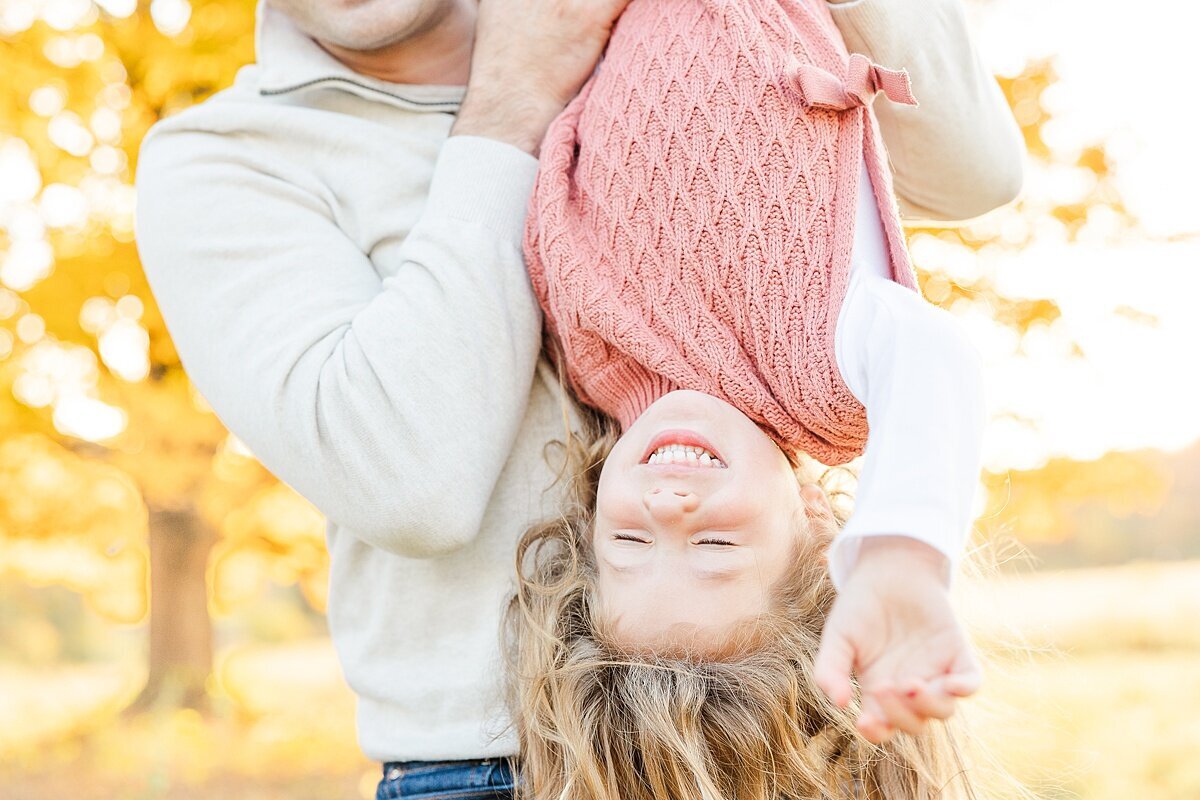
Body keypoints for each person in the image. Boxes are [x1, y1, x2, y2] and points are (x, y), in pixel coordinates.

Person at [132, 0, 1019, 796]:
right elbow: (408, 483)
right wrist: (512, 98)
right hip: (481, 763)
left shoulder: (635, 41)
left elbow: (974, 177)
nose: (666, 503)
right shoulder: (223, 159)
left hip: (760, 730)